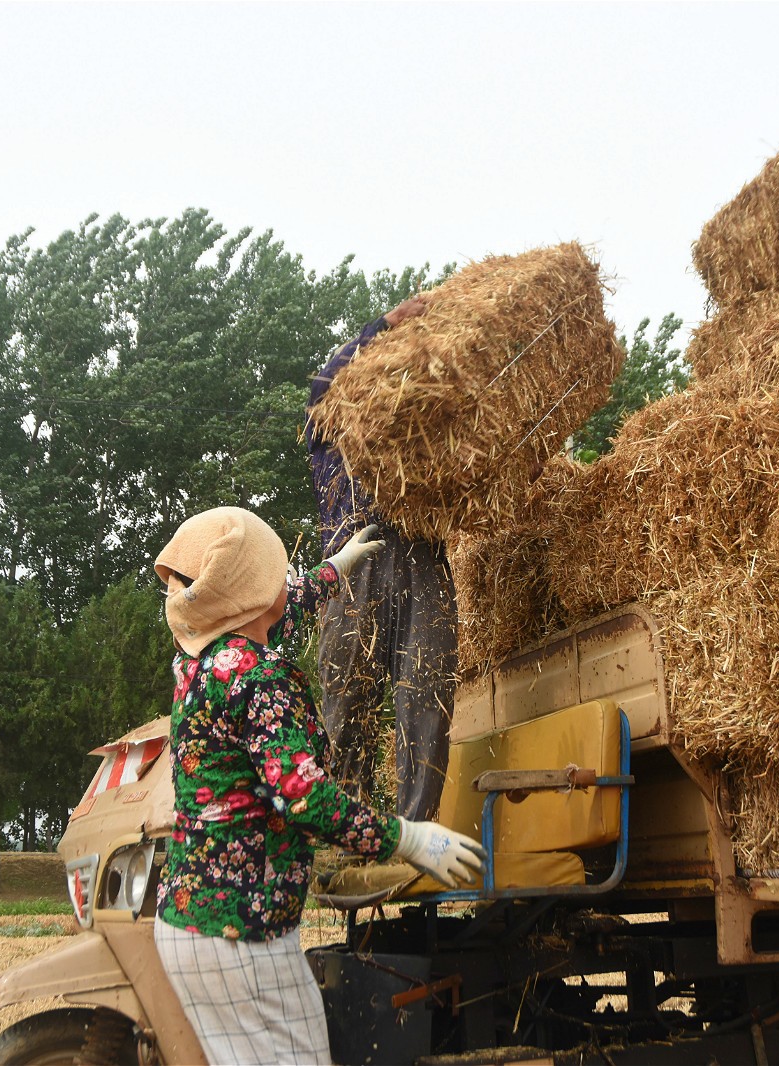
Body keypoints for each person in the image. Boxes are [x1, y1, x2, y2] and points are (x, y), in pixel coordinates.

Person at [150, 505, 485, 1066]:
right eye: (276, 574)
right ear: (254, 594)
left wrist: (336, 568)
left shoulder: (205, 661)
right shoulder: (260, 680)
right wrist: (408, 838)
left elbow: (273, 605)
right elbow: (305, 798)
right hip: (240, 932)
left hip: (194, 921)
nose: (286, 583)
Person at [306, 295, 458, 822]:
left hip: (423, 554)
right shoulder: (330, 420)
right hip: (352, 558)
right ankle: (350, 829)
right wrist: (386, 325)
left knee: (428, 692)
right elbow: (321, 384)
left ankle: (417, 831)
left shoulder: (425, 427)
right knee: (346, 700)